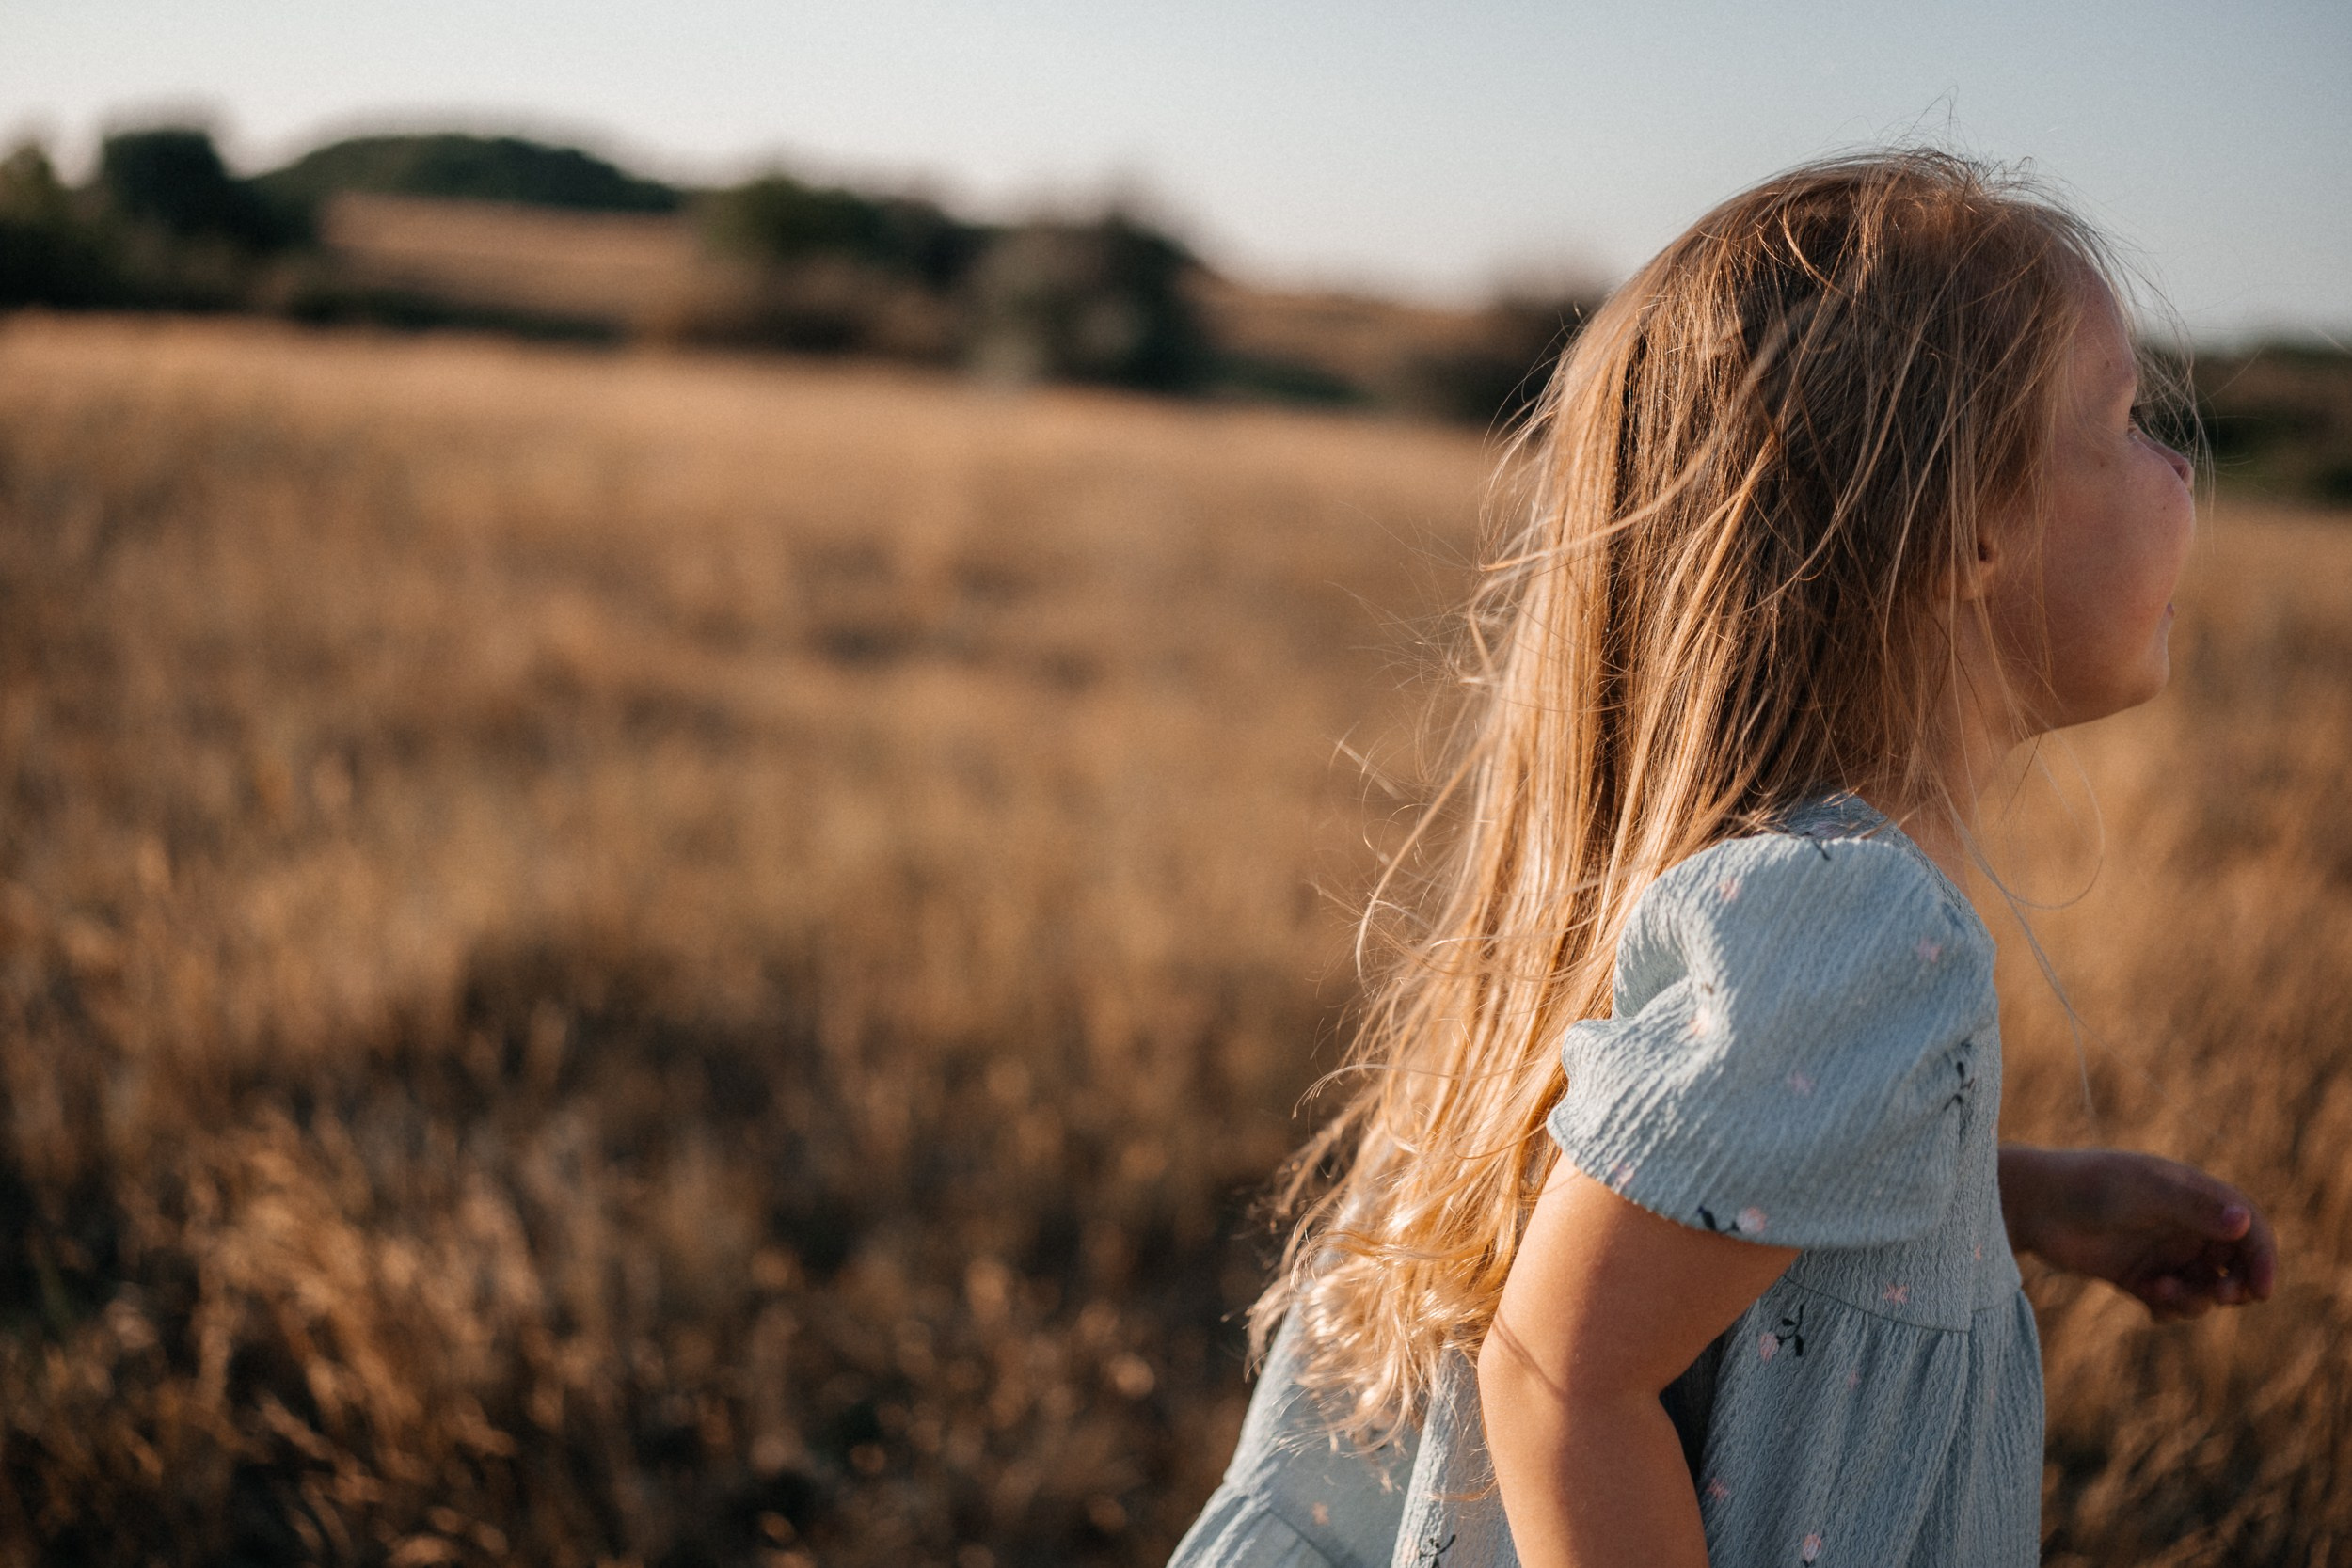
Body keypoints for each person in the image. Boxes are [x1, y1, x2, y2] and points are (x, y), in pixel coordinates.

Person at [1168, 150, 2278, 1568]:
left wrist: (2014, 1196)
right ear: (1961, 531)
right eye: (2126, 421)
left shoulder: (1743, 883)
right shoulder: (1861, 925)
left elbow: (1685, 1189)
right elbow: (1559, 1378)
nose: (2178, 464)